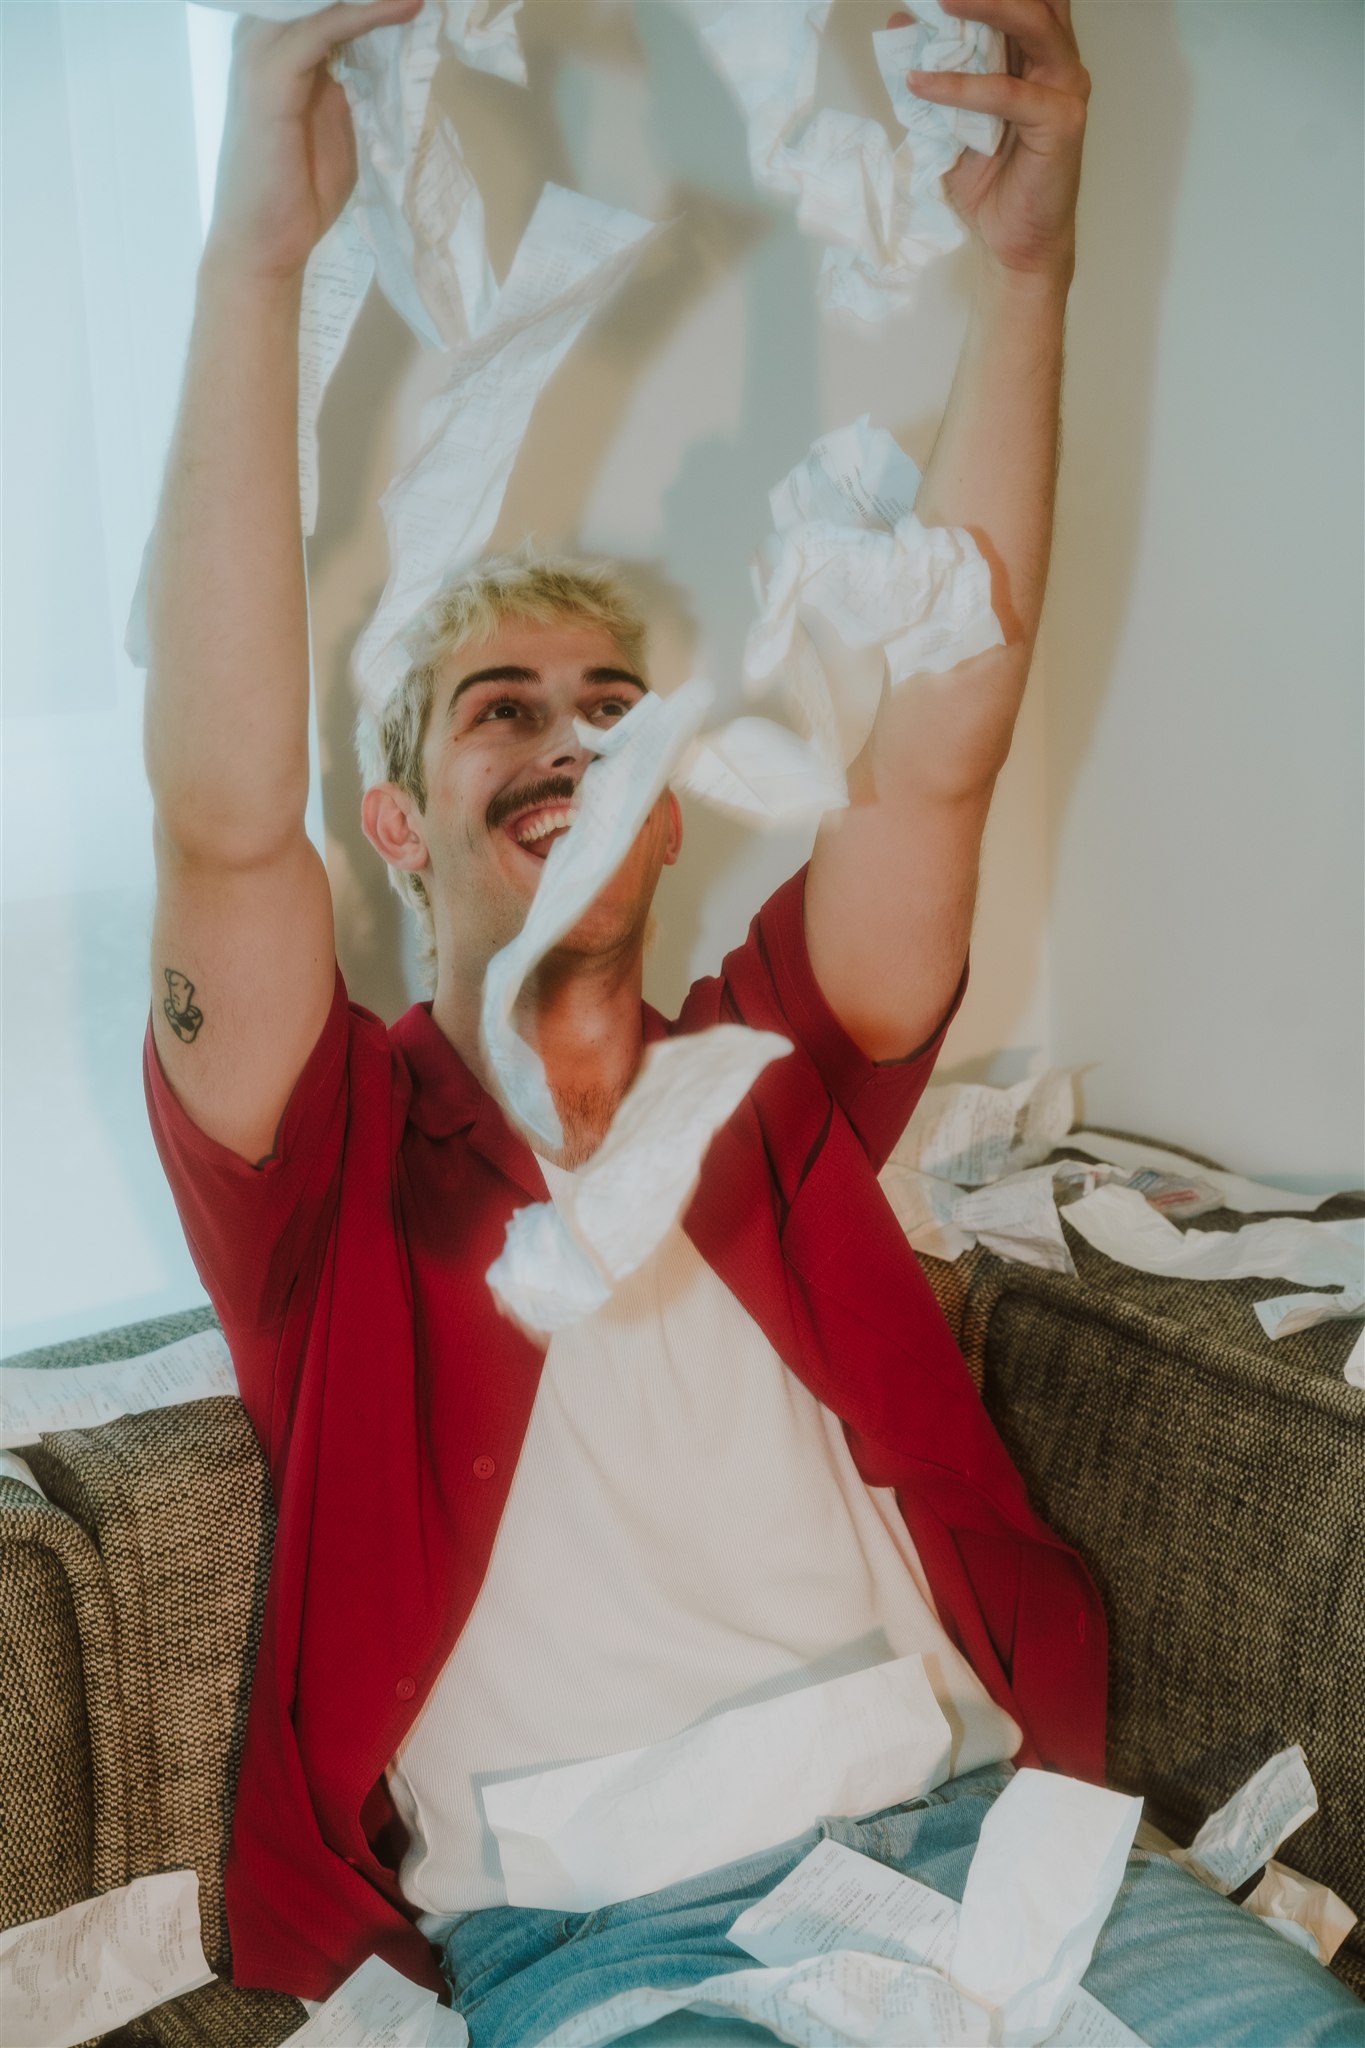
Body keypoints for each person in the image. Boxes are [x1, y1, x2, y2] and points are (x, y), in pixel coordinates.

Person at [141, 2, 1364, 2043]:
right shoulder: (328, 1157)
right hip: (604, 1947)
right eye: (495, 709)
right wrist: (254, 263)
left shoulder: (771, 1072)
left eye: (608, 709)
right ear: (395, 820)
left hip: (991, 1854)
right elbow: (212, 818)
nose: (564, 741)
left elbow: (934, 755)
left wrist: (1027, 268)